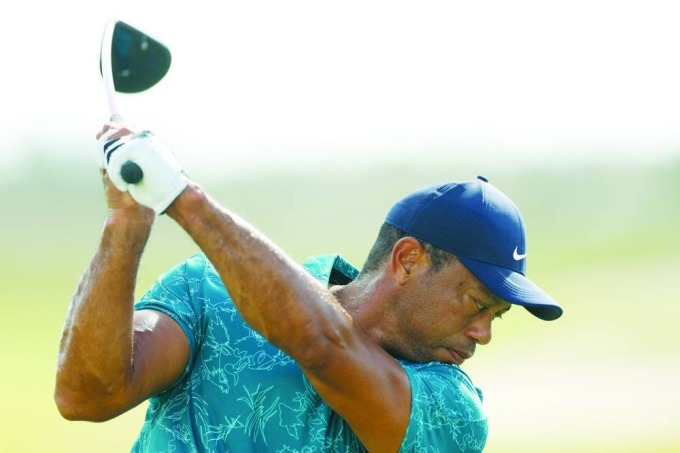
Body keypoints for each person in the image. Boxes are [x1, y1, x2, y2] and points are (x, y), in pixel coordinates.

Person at [54, 122, 563, 453]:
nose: (484, 333)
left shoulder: (453, 411)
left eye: (496, 315)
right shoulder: (209, 287)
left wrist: (178, 194)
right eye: (477, 303)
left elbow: (322, 344)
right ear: (408, 260)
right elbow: (86, 396)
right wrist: (128, 221)